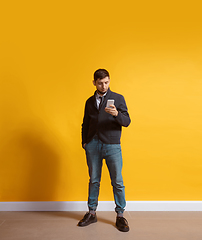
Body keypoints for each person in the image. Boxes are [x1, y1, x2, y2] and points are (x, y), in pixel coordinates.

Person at [78, 69, 131, 232]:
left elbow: (127, 121)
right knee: (94, 179)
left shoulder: (118, 98)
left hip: (112, 145)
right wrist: (85, 142)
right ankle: (92, 213)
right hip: (93, 144)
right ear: (94, 82)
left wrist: (116, 114)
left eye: (106, 82)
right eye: (100, 82)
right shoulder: (89, 101)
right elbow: (85, 123)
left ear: (109, 81)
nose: (104, 85)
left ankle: (120, 215)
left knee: (117, 181)